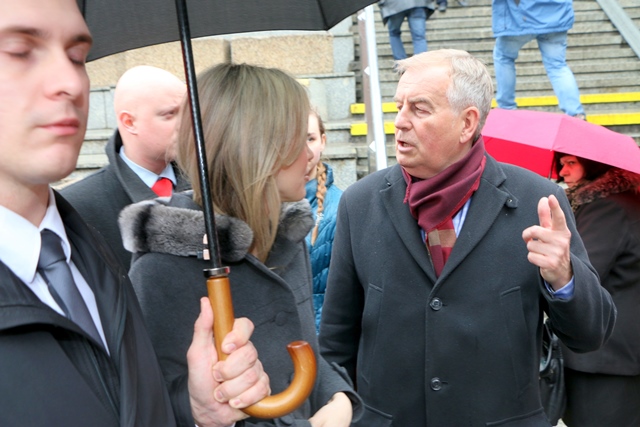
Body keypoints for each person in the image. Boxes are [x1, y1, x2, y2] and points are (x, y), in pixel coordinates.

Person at [0, 1, 270, 426]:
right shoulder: (96, 216)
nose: (69, 81)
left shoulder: (86, 250)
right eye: (20, 51)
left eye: (78, 56)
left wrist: (190, 407)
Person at [318, 49, 616, 426]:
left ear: (467, 123)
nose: (401, 122)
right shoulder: (360, 203)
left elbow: (590, 334)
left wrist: (564, 276)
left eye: (419, 109)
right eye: (399, 106)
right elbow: (335, 342)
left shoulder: (537, 200)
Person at [118, 63, 363, 427]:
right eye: (296, 139)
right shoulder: (162, 270)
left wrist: (338, 396)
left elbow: (306, 349)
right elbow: (163, 405)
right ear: (258, 149)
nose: (309, 155)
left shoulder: (286, 235)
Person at [61, 65, 191, 270]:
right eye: (170, 114)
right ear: (129, 122)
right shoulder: (77, 207)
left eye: (188, 112)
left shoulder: (212, 184)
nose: (186, 124)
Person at [554, 153, 640, 427]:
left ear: (595, 164)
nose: (563, 172)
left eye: (571, 163)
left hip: (605, 355)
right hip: (617, 352)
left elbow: (582, 273)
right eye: (561, 164)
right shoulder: (626, 202)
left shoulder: (607, 207)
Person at [491, 0, 586, 119]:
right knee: (557, 66)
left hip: (519, 15)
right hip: (555, 15)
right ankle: (575, 113)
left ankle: (506, 108)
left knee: (504, 57)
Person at [304, 110, 343, 333]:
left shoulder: (341, 206)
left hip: (321, 338)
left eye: (310, 139)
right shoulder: (260, 203)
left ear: (323, 141)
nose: (303, 150)